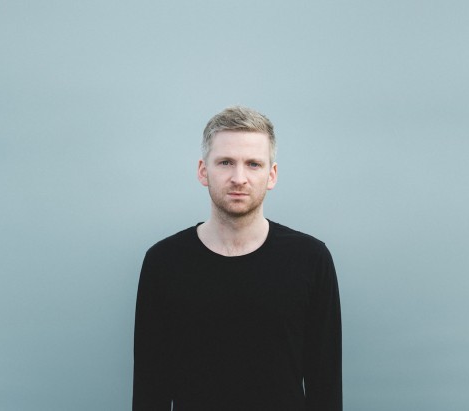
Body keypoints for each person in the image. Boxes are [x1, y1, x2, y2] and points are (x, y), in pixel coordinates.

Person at [133, 106, 342, 410]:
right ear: (203, 171)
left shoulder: (311, 259)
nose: (239, 178)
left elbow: (325, 386)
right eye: (226, 162)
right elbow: (150, 387)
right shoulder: (163, 262)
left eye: (253, 164)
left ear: (271, 175)